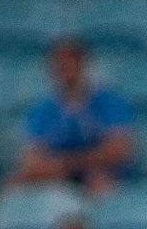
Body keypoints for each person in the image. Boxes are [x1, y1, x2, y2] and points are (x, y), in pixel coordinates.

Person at [12, 37, 134, 191]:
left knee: (99, 182)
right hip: (56, 176)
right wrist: (53, 169)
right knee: (14, 183)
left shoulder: (109, 102)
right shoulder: (44, 109)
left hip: (98, 173)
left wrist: (70, 163)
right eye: (59, 67)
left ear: (83, 66)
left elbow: (119, 149)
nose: (65, 72)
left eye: (71, 65)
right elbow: (30, 157)